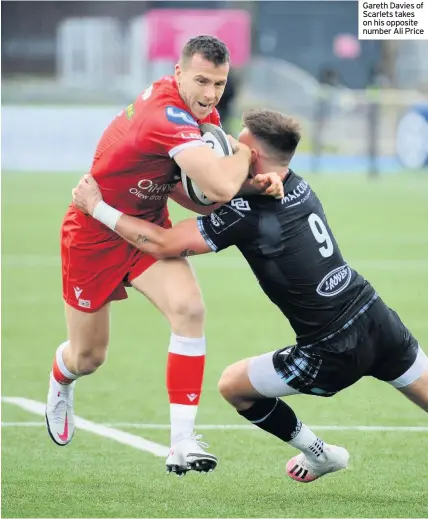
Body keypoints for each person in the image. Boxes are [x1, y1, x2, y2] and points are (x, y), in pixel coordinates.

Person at [72, 108, 428, 483]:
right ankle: (322, 454)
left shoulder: (246, 212)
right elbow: (232, 178)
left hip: (330, 348)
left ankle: (319, 453)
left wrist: (97, 208)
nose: (230, 155)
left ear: (253, 157)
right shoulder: (296, 183)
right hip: (375, 315)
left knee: (233, 386)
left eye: (238, 149)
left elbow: (162, 243)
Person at [46, 34, 283, 477]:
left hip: (145, 228)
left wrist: (254, 183)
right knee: (88, 357)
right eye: (201, 81)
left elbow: (195, 196)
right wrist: (247, 156)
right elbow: (215, 188)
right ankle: (61, 377)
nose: (210, 95)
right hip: (93, 230)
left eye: (219, 84)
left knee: (189, 308)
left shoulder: (200, 112)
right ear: (178, 74)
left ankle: (181, 441)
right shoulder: (166, 114)